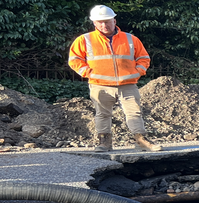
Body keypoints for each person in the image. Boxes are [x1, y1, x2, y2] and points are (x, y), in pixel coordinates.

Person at [68, 5, 161, 152]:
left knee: (134, 112)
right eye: (100, 22)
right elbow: (74, 60)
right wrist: (88, 73)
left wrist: (138, 72)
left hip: (127, 84)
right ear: (94, 23)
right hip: (100, 85)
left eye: (107, 21)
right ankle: (104, 142)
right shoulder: (85, 40)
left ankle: (141, 140)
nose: (104, 25)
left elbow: (143, 58)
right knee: (103, 114)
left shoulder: (130, 39)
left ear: (114, 20)